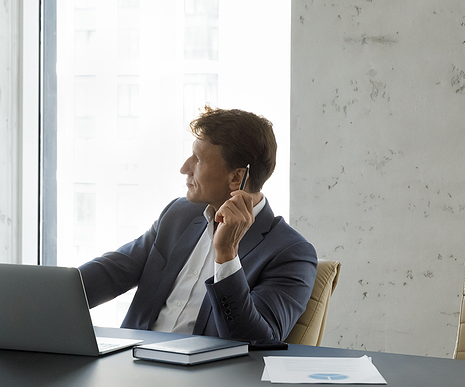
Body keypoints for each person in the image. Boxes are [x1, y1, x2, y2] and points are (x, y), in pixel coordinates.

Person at [79, 106, 317, 341]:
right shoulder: (179, 214)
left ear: (236, 177)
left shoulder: (291, 253)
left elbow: (257, 341)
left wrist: (227, 255)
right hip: (132, 362)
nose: (184, 168)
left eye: (199, 160)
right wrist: (49, 294)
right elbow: (114, 271)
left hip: (203, 377)